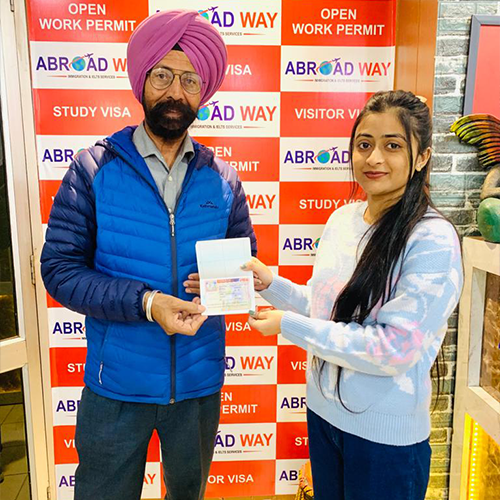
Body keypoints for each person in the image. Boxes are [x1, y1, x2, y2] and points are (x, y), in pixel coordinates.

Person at [40, 10, 256, 500]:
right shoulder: (93, 168)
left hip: (198, 385)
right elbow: (59, 269)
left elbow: (244, 258)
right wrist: (147, 302)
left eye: (189, 80)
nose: (175, 92)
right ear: (142, 82)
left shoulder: (223, 179)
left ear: (203, 92)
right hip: (116, 386)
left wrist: (227, 282)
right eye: (163, 76)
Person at [244, 90, 463, 500]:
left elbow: (393, 348)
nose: (374, 158)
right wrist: (270, 284)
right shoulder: (342, 219)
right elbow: (327, 309)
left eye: (392, 146)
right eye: (364, 144)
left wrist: (288, 326)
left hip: (386, 441)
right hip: (324, 418)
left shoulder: (432, 239)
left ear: (422, 157)